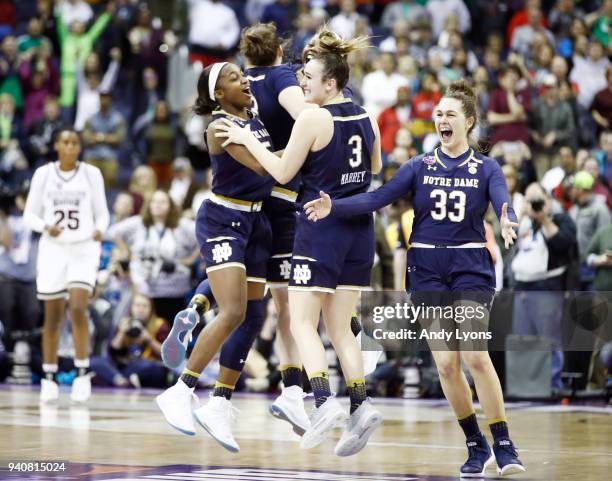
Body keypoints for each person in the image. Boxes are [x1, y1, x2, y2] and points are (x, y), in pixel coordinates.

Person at [301, 81, 525, 476]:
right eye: (438, 114)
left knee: (473, 355)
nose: (442, 119)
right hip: (426, 271)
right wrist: (334, 205)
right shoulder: (417, 167)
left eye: (450, 114)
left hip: (470, 266)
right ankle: (475, 444)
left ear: (469, 122)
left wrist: (507, 217)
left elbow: (502, 197)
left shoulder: (486, 167)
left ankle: (503, 442)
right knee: (446, 366)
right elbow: (377, 197)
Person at [215, 33, 383, 457]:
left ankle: (324, 402)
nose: (302, 83)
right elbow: (375, 165)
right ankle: (361, 404)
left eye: (308, 76)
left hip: (320, 224)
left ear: (330, 83)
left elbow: (282, 172)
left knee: (302, 323)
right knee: (341, 326)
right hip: (360, 228)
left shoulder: (312, 118)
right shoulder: (368, 115)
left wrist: (250, 140)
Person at [155, 62, 275, 449]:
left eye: (242, 74)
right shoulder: (219, 126)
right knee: (235, 310)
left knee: (254, 313)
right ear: (218, 95)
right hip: (224, 219)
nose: (243, 80)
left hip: (258, 221)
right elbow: (263, 166)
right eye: (233, 79)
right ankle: (181, 389)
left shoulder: (253, 115)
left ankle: (219, 402)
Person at [23, 128, 109, 403]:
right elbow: (29, 215)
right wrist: (46, 226)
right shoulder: (44, 174)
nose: (70, 146)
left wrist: (100, 228)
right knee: (52, 316)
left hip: (83, 247)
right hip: (53, 250)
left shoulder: (91, 173)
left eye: (75, 142)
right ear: (57, 146)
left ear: (80, 146)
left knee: (78, 308)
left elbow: (103, 212)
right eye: (65, 142)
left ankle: (82, 373)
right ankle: (50, 376)